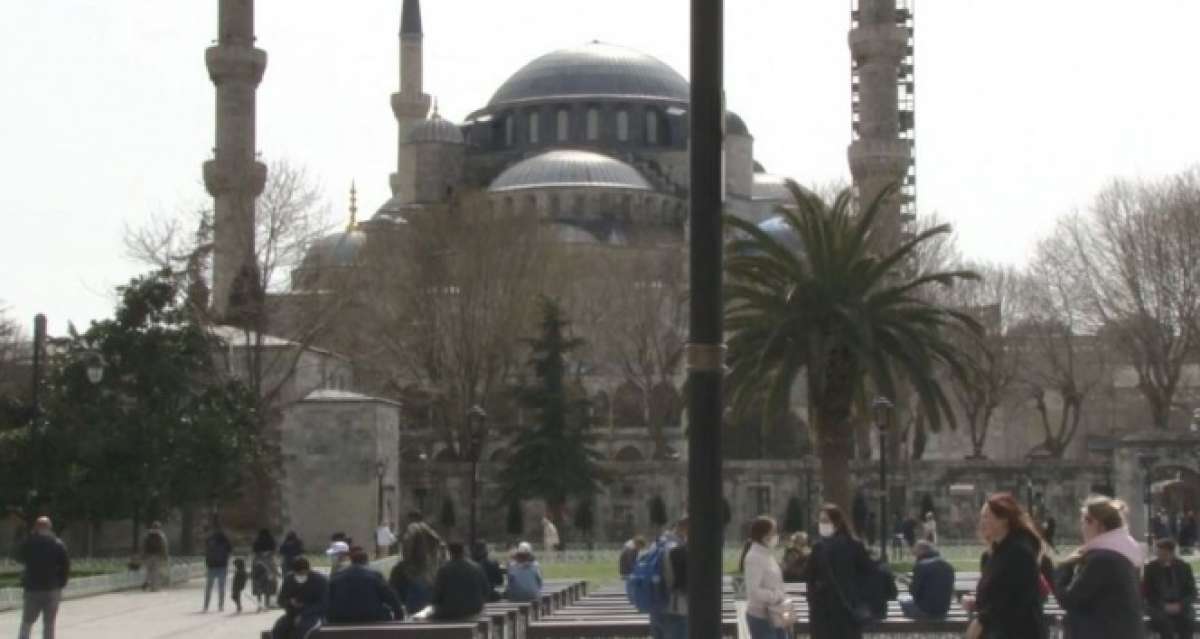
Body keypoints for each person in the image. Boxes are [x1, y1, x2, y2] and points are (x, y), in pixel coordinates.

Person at [1055, 495, 1145, 639]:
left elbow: (1070, 599)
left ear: (1099, 525)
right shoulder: (1124, 552)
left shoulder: (1102, 559)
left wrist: (1063, 568)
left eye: (1085, 521)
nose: (1082, 527)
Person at [964, 493, 1048, 639]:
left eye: (986, 517)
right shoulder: (997, 552)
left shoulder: (1019, 551)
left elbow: (1012, 599)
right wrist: (977, 602)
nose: (981, 522)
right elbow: (998, 592)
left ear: (1003, 519)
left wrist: (981, 621)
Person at [802, 504, 874, 639]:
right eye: (820, 521)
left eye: (825, 521)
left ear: (837, 522)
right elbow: (810, 576)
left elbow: (867, 573)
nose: (821, 524)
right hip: (826, 611)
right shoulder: (819, 547)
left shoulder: (852, 546)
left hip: (843, 610)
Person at [16, 516, 69, 639]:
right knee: (49, 624)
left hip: (32, 589)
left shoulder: (29, 543)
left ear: (36, 527)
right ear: (50, 528)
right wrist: (61, 583)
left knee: (27, 622)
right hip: (52, 589)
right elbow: (65, 566)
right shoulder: (58, 544)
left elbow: (18, 556)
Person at [327, 546, 403, 623]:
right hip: (372, 618)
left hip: (340, 618)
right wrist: (399, 615)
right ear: (366, 561)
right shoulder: (375, 576)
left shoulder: (337, 576)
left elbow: (326, 598)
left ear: (351, 561)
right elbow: (391, 597)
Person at [741, 516, 788, 639]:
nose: (776, 535)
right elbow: (753, 591)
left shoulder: (768, 554)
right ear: (764, 535)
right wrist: (776, 595)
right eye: (774, 532)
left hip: (776, 613)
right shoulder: (754, 557)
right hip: (761, 617)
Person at [1145, 538, 1196, 639]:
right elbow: (1148, 593)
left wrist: (1180, 605)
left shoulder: (1184, 567)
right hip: (1159, 605)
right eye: (1159, 553)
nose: (1160, 557)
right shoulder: (1151, 568)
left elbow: (1192, 592)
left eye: (1164, 554)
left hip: (1181, 604)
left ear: (1172, 553)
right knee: (1165, 626)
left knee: (1188, 622)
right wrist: (1163, 605)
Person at [425, 541, 491, 620]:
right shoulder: (477, 567)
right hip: (474, 609)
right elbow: (486, 591)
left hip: (450, 611)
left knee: (426, 617)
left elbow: (436, 596)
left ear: (450, 553)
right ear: (464, 551)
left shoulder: (444, 570)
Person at [650, 516, 688, 639]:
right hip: (676, 609)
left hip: (655, 607)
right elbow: (684, 584)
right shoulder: (679, 550)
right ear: (686, 529)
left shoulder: (656, 545)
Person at [271, 558, 328, 639]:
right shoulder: (289, 579)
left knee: (302, 631)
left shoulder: (320, 581)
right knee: (278, 629)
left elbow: (323, 604)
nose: (300, 576)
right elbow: (281, 600)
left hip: (313, 615)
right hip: (292, 614)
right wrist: (290, 602)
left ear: (308, 570)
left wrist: (303, 614)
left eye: (302, 573)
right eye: (297, 574)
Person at [401, 511, 444, 612]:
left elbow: (407, 543)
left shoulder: (413, 527)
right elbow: (440, 544)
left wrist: (406, 561)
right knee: (426, 594)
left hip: (416, 565)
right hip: (430, 567)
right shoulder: (429, 529)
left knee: (415, 596)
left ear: (412, 518)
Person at [899, 540, 954, 619]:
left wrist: (906, 582)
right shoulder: (947, 565)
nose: (914, 554)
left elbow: (914, 592)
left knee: (902, 600)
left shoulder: (920, 565)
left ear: (921, 551)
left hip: (925, 611)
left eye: (915, 551)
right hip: (943, 610)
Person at [202, 524, 233, 612]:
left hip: (211, 566)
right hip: (222, 566)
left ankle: (206, 606)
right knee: (221, 587)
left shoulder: (209, 540)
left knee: (209, 587)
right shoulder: (225, 540)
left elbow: (206, 552)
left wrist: (207, 562)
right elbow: (230, 552)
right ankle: (220, 606)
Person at [141, 521, 169, 592]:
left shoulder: (147, 534)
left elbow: (143, 545)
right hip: (157, 555)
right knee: (155, 571)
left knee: (149, 570)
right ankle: (154, 587)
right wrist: (165, 556)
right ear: (159, 527)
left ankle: (147, 581)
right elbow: (164, 546)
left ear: (152, 526)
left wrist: (143, 555)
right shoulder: (161, 535)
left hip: (148, 555)